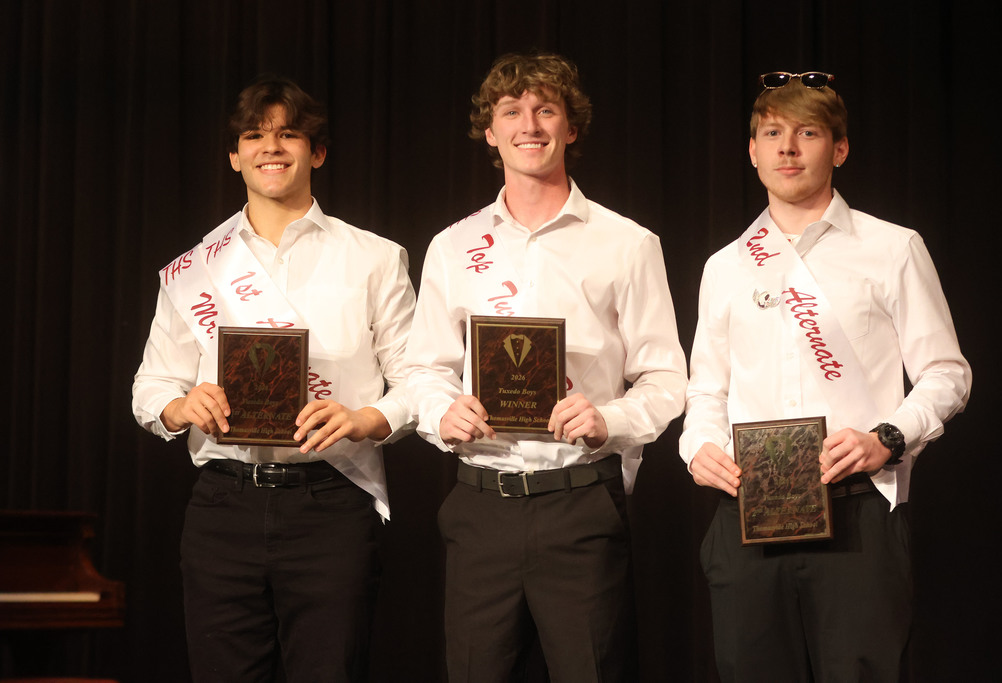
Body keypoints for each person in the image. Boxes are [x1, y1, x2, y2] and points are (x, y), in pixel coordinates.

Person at [679, 71, 972, 681]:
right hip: (747, 515)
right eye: (772, 132)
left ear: (838, 149)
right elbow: (706, 387)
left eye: (807, 132)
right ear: (752, 150)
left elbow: (947, 373)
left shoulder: (892, 248)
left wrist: (887, 437)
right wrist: (697, 448)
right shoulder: (725, 266)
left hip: (858, 513)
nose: (788, 148)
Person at [405, 52, 688, 682]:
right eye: (512, 111)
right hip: (481, 503)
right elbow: (422, 370)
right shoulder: (453, 247)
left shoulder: (627, 244)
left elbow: (667, 379)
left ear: (571, 127)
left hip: (581, 502)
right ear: (491, 130)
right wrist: (440, 412)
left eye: (545, 110)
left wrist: (607, 418)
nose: (529, 125)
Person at [131, 76, 415, 682]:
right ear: (234, 156)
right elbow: (150, 386)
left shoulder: (374, 257)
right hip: (222, 506)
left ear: (317, 151)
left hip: (331, 505)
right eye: (255, 134)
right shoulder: (195, 267)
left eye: (290, 134)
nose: (272, 147)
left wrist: (366, 418)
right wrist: (182, 406)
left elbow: (420, 380)